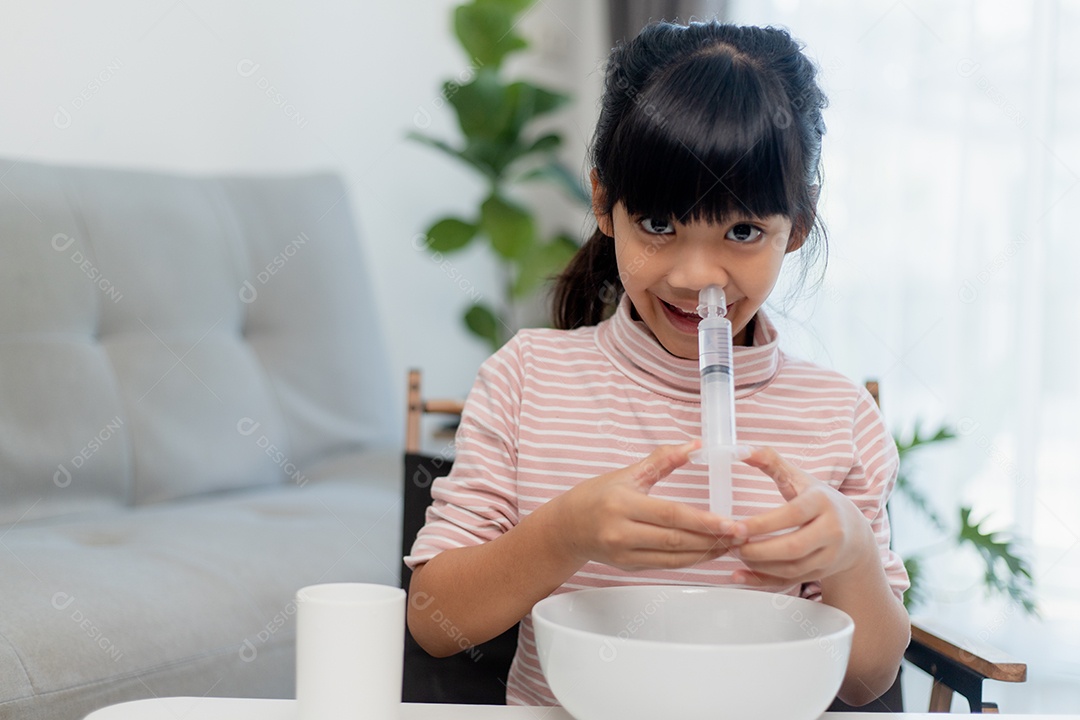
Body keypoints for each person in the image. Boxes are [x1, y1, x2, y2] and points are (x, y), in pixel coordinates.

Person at [405, 20, 910, 708]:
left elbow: (867, 679)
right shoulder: (527, 379)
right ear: (603, 205)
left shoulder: (837, 415)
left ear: (795, 226)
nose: (697, 275)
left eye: (741, 232)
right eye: (660, 226)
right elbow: (436, 624)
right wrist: (565, 533)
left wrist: (850, 556)